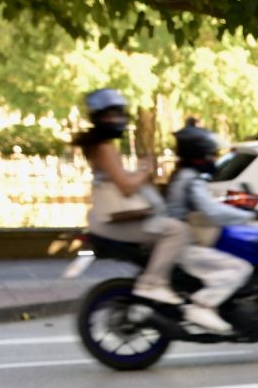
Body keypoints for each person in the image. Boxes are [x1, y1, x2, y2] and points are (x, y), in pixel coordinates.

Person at [73, 89, 187, 304]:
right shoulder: (104, 148)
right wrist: (144, 170)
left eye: (119, 114)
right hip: (113, 221)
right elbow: (126, 187)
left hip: (107, 218)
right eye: (111, 115)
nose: (117, 120)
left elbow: (121, 180)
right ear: (98, 117)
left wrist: (139, 173)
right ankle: (152, 283)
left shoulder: (100, 146)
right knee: (177, 231)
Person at [163, 125, 258, 335]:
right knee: (240, 269)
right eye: (209, 154)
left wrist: (240, 205)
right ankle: (202, 306)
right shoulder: (189, 179)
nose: (212, 159)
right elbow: (211, 211)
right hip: (184, 246)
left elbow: (209, 204)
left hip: (182, 242)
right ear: (198, 154)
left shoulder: (184, 176)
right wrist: (251, 215)